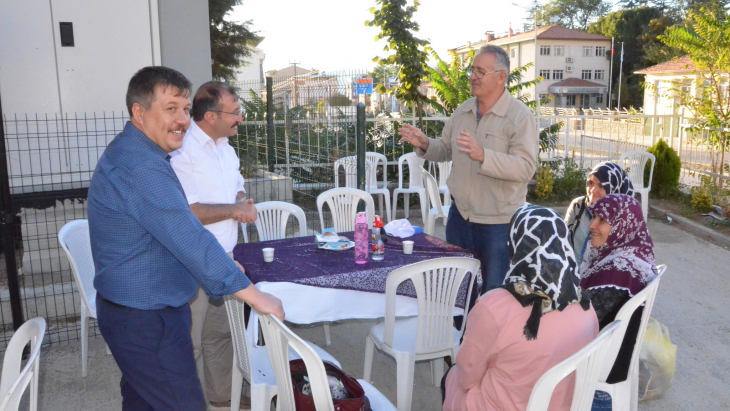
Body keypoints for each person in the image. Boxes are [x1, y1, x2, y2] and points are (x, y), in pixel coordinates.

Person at [87, 66, 284, 411]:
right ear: (139, 112)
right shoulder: (142, 168)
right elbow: (187, 234)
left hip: (137, 309)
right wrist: (255, 296)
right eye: (169, 109)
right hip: (146, 317)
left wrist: (223, 266)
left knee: (144, 402)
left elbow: (162, 235)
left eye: (183, 108)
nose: (182, 119)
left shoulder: (141, 154)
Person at [398, 45, 538, 293]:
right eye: (472, 70)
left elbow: (526, 168)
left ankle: (487, 334)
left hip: (498, 224)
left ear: (501, 77)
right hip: (459, 218)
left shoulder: (519, 116)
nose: (473, 76)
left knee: (494, 294)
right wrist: (424, 143)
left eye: (480, 71)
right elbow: (446, 149)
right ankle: (461, 333)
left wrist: (484, 155)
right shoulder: (462, 111)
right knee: (460, 290)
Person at [442, 204, 598, 411]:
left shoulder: (494, 308)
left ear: (516, 245)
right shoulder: (585, 306)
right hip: (563, 406)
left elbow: (466, 378)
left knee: (452, 377)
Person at [170, 81, 254, 410]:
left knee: (220, 335)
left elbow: (237, 190)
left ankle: (222, 399)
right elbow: (187, 212)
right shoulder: (182, 150)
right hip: (192, 263)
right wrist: (236, 210)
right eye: (235, 113)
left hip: (225, 259)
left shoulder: (226, 149)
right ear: (210, 115)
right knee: (189, 344)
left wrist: (243, 201)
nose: (240, 119)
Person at [579, 193, 658, 384]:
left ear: (623, 224)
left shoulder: (618, 272)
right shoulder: (635, 252)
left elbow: (581, 322)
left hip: (604, 361)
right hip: (615, 352)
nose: (592, 225)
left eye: (602, 220)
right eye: (594, 217)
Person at [565, 162, 634, 265]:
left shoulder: (623, 216)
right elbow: (564, 239)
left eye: (601, 186)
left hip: (602, 276)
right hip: (570, 272)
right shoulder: (578, 205)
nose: (593, 190)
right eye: (591, 183)